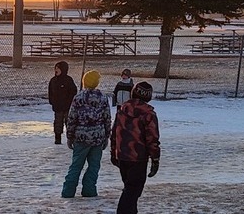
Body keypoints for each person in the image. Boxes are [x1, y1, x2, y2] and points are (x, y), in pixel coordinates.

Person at [110, 82, 161, 214]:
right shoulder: (149, 114)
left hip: (122, 155)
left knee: (130, 188)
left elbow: (115, 132)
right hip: (138, 158)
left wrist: (113, 152)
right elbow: (152, 139)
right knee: (133, 190)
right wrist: (155, 159)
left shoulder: (122, 110)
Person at [62, 70, 111, 198]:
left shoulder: (78, 98)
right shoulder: (103, 98)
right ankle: (89, 190)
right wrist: (106, 135)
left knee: (76, 165)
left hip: (81, 137)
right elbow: (107, 117)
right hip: (97, 137)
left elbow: (71, 118)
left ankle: (68, 191)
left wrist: (70, 136)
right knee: (94, 166)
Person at [48, 61, 77, 145]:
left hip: (67, 107)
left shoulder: (68, 80)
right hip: (58, 107)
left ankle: (71, 139)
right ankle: (57, 138)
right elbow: (50, 92)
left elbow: (73, 92)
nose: (56, 70)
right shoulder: (53, 80)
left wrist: (70, 102)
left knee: (69, 122)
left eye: (58, 68)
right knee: (58, 122)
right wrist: (52, 101)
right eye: (55, 68)